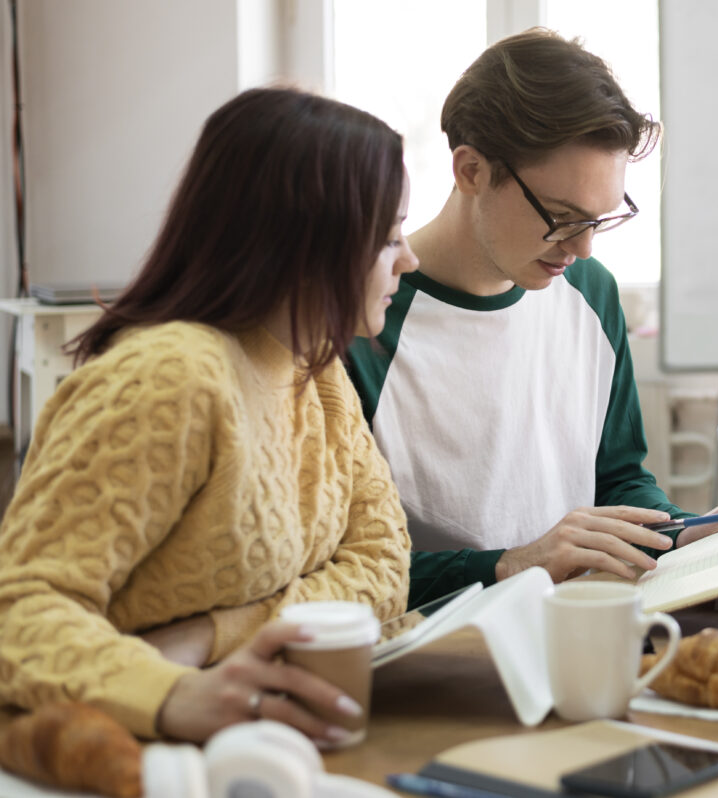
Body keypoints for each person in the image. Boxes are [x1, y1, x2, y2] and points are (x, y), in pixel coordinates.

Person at [0, 87, 418, 744]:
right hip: (119, 748)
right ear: (311, 240)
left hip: (250, 733)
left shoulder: (320, 369)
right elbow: (17, 613)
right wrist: (171, 693)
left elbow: (384, 567)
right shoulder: (173, 377)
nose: (409, 261)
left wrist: (212, 634)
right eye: (390, 237)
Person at [346, 28, 718, 607]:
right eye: (559, 216)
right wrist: (512, 565)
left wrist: (687, 530)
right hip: (443, 659)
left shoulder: (591, 293)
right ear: (471, 171)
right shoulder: (362, 324)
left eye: (599, 221)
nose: (581, 252)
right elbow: (337, 571)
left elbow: (619, 480)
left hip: (582, 629)